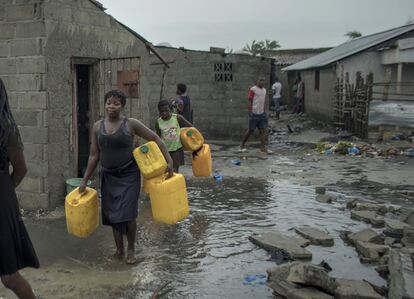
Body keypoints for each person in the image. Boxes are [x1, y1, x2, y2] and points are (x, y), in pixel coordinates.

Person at [79, 90, 173, 264]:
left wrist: (169, 160)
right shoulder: (98, 126)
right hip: (108, 176)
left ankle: (131, 250)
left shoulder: (131, 124)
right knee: (113, 215)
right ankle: (119, 251)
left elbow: (154, 138)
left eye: (116, 103)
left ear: (122, 106)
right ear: (104, 104)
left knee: (128, 214)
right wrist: (84, 180)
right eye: (108, 103)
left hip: (129, 175)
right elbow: (94, 155)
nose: (111, 106)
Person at [0, 79, 39, 299]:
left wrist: (5, 193)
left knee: (9, 277)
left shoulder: (5, 128)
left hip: (1, 201)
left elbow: (21, 168)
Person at [155, 100, 192, 173]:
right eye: (161, 111)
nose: (164, 113)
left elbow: (190, 127)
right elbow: (158, 137)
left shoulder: (177, 118)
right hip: (165, 150)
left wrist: (189, 137)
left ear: (171, 110)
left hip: (176, 149)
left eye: (166, 110)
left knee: (175, 171)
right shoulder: (158, 122)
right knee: (167, 170)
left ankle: (176, 184)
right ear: (159, 111)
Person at [239, 77, 273, 154]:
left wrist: (264, 111)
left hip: (261, 114)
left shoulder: (264, 90)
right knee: (250, 130)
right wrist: (250, 111)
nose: (262, 82)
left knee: (263, 131)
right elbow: (250, 100)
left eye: (263, 81)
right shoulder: (253, 89)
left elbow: (263, 101)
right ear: (257, 81)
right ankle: (242, 145)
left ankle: (263, 148)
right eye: (260, 80)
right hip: (254, 113)